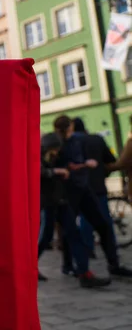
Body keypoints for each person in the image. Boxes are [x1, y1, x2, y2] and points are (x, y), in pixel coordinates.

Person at [54, 115, 132, 283]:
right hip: (70, 192)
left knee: (98, 226)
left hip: (83, 189)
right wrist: (83, 165)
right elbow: (61, 167)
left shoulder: (76, 142)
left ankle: (110, 265)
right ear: (70, 127)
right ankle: (81, 271)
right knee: (73, 231)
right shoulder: (60, 145)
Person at [71, 118, 117, 257]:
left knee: (85, 220)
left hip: (80, 188)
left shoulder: (71, 143)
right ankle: (111, 253)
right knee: (105, 221)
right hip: (98, 187)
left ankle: (88, 249)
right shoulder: (97, 139)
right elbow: (110, 160)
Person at [38, 133, 71, 281]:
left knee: (66, 232)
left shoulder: (50, 156)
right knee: (46, 235)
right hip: (47, 201)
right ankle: (31, 265)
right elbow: (39, 172)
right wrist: (55, 172)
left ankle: (69, 265)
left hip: (56, 199)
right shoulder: (38, 155)